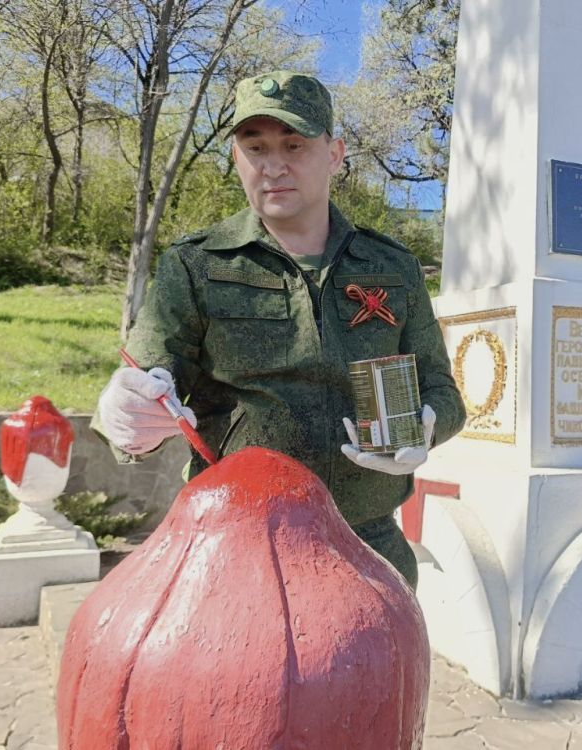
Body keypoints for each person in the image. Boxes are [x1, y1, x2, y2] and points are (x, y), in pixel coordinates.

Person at [94, 70, 465, 589]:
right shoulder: (197, 265)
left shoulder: (392, 266)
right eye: (256, 146)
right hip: (237, 546)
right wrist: (127, 417)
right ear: (235, 157)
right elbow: (151, 378)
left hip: (370, 547)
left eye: (294, 145)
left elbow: (441, 390)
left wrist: (428, 424)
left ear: (334, 154)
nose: (273, 166)